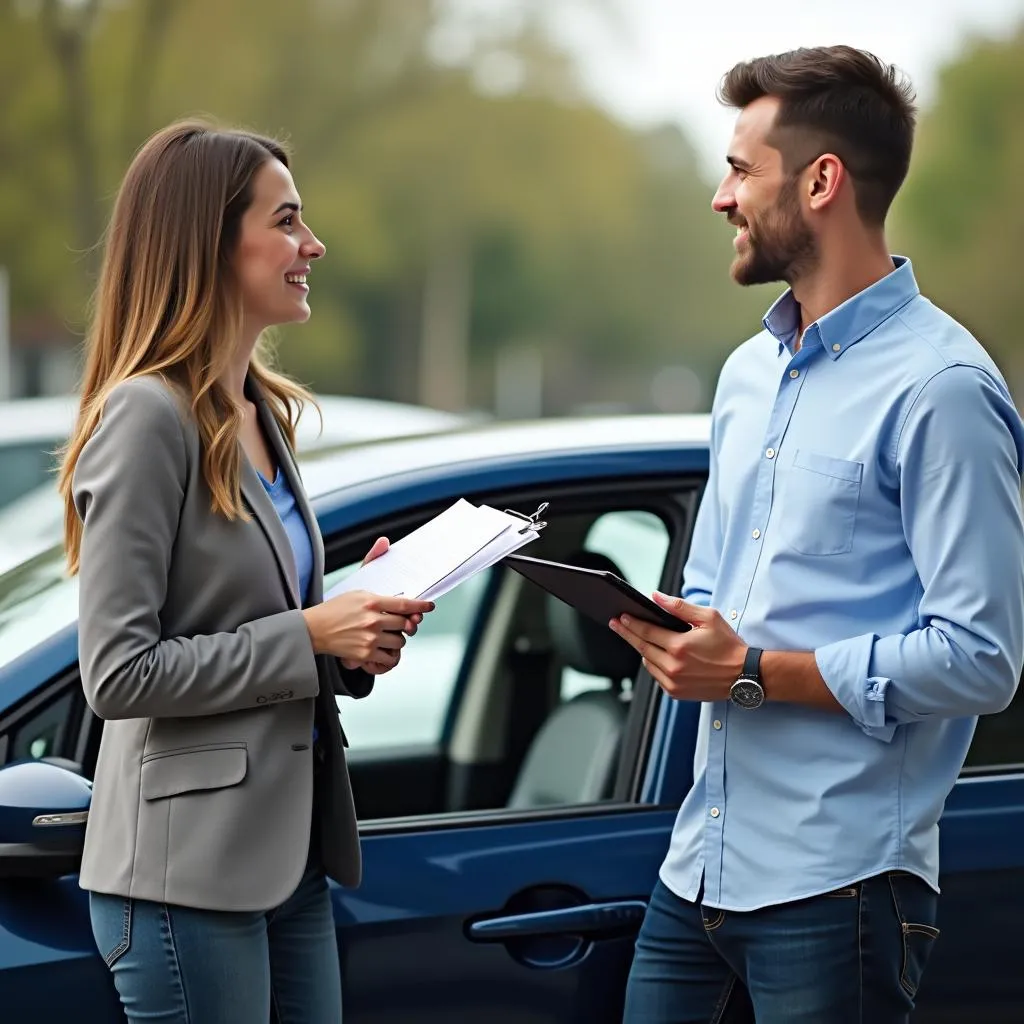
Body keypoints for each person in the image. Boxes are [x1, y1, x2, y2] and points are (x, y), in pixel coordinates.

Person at [612, 45, 1024, 1024]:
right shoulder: (743, 377)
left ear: (821, 181)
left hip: (839, 883)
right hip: (698, 866)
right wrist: (670, 632)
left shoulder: (943, 391)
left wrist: (753, 667)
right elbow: (719, 589)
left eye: (740, 169)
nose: (721, 196)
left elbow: (982, 658)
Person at [57, 120, 435, 1024]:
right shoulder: (149, 419)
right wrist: (308, 631)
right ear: (210, 241)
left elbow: (245, 614)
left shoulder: (260, 409)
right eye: (289, 222)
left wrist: (349, 631)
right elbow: (118, 673)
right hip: (183, 877)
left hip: (288, 856)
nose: (315, 245)